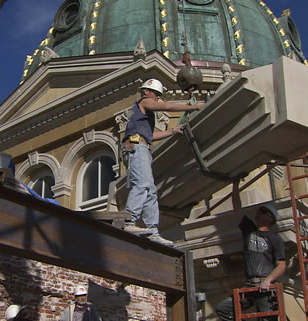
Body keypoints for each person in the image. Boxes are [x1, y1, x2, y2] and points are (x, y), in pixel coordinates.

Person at [122, 78, 204, 246]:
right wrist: (194, 106)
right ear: (146, 92)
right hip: (135, 146)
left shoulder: (144, 116)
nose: (158, 98)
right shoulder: (144, 102)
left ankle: (153, 231)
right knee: (143, 184)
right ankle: (128, 221)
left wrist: (172, 131)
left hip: (142, 145)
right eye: (156, 94)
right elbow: (166, 106)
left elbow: (150, 137)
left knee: (151, 190)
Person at [216, 180, 286, 320]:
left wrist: (268, 280)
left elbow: (281, 265)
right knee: (224, 309)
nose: (258, 214)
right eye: (258, 211)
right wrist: (235, 185)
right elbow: (237, 209)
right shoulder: (249, 231)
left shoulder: (275, 239)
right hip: (250, 285)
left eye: (262, 212)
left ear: (270, 218)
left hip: (265, 287)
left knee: (266, 318)